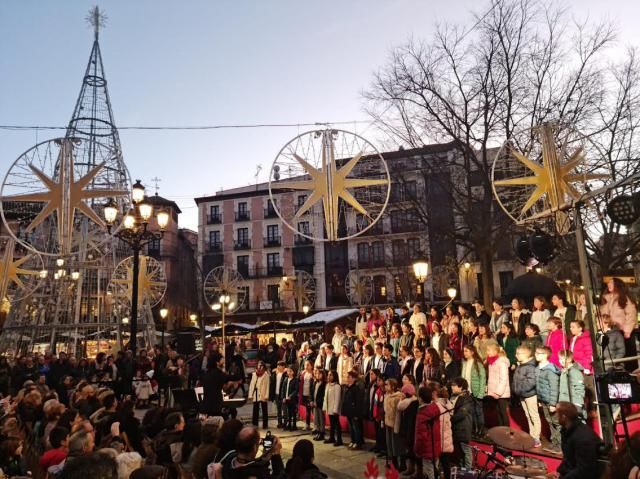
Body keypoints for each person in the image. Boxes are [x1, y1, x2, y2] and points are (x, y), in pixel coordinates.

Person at [554, 402, 602, 479]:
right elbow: (568, 459)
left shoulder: (583, 438)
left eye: (556, 414)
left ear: (563, 417)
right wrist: (558, 472)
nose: (555, 416)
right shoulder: (567, 431)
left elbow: (584, 470)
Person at [219, 426, 284, 479]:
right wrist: (276, 455)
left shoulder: (228, 460)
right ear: (254, 447)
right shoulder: (259, 473)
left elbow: (247, 464)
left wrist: (264, 459)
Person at [513, 345, 542, 447]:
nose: (516, 355)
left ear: (526, 354)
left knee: (534, 416)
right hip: (522, 395)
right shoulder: (520, 365)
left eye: (518, 354)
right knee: (528, 416)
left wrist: (520, 390)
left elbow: (531, 382)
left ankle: (536, 438)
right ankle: (532, 435)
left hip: (530, 395)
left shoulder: (530, 367)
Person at [535, 346, 562, 452]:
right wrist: (540, 400)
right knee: (550, 422)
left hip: (551, 401)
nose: (536, 355)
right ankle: (555, 442)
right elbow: (539, 386)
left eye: (539, 353)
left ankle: (560, 445)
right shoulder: (538, 368)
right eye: (536, 353)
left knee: (556, 423)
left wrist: (553, 404)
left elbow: (554, 388)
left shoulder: (550, 370)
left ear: (546, 355)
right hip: (544, 400)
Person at [414, 384, 441, 479]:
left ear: (420, 398)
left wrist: (417, 450)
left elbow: (421, 436)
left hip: (426, 449)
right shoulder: (434, 409)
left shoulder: (422, 413)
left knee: (429, 473)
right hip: (435, 447)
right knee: (434, 470)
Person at [201, 352, 240, 418]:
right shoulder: (218, 374)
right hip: (215, 405)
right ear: (217, 362)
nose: (223, 361)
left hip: (206, 405)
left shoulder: (207, 373)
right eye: (222, 359)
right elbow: (232, 378)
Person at [461, 344, 486, 437]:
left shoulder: (477, 363)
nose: (465, 353)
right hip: (467, 391)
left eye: (466, 351)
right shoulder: (464, 363)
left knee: (478, 411)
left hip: (476, 390)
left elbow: (482, 378)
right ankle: (474, 429)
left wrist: (481, 392)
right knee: (471, 411)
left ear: (472, 352)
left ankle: (481, 430)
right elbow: (463, 378)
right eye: (464, 351)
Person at [450, 377, 473, 469]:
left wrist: (450, 420)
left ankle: (468, 471)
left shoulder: (466, 398)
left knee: (466, 450)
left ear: (461, 387)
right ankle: (462, 470)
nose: (452, 387)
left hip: (463, 428)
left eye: (454, 385)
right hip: (456, 427)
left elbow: (462, 413)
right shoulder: (454, 396)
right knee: (459, 451)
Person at [396, 383, 419, 476]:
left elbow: (410, 420)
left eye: (403, 392)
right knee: (408, 450)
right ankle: (410, 468)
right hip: (407, 429)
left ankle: (412, 469)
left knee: (411, 451)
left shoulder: (412, 404)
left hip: (410, 430)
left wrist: (408, 433)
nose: (401, 394)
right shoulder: (407, 402)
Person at [485, 343, 510, 427]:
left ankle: (506, 432)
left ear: (496, 351)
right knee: (498, 412)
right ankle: (500, 431)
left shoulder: (501, 362)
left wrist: (498, 393)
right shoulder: (491, 361)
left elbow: (504, 379)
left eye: (489, 350)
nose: (487, 352)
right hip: (494, 391)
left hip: (501, 393)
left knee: (503, 412)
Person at [383, 378, 404, 469]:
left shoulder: (397, 397)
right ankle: (391, 460)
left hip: (395, 423)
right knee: (389, 443)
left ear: (393, 386)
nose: (385, 386)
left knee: (395, 444)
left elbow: (397, 411)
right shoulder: (387, 396)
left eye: (387, 384)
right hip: (388, 422)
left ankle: (398, 463)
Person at [341, 371, 364, 449]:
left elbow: (358, 402)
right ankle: (353, 440)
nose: (347, 378)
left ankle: (358, 442)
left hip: (354, 412)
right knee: (351, 427)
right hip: (348, 411)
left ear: (354, 379)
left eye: (349, 377)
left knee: (356, 427)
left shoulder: (356, 388)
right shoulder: (347, 387)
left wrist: (357, 414)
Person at [557, 350, 585, 415]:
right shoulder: (563, 372)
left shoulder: (576, 373)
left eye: (561, 359)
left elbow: (580, 389)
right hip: (564, 402)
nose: (559, 361)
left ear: (569, 359)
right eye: (559, 359)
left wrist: (578, 404)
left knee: (577, 422)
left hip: (574, 404)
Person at [248, 361, 271, 430]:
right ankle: (255, 424)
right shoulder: (254, 374)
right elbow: (252, 384)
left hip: (263, 393)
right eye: (258, 365)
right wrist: (250, 394)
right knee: (255, 409)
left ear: (263, 366)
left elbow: (267, 385)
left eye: (261, 365)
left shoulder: (266, 374)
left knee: (264, 409)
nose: (259, 367)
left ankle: (265, 424)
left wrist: (267, 395)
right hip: (256, 393)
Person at [322, 370, 342, 446]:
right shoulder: (328, 385)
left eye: (331, 375)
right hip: (329, 408)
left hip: (334, 409)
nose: (329, 376)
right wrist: (324, 407)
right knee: (332, 424)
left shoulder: (337, 386)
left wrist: (335, 410)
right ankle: (332, 437)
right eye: (328, 375)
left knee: (337, 424)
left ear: (334, 377)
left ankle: (339, 439)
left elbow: (337, 399)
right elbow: (325, 397)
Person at [298, 360, 315, 432]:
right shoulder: (303, 373)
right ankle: (307, 425)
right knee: (307, 411)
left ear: (311, 366)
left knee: (313, 411)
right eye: (305, 365)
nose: (306, 366)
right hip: (304, 394)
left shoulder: (314, 374)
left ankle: (315, 425)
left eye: (308, 365)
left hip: (311, 395)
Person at [270, 361, 287, 429]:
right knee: (278, 410)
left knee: (284, 410)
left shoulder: (285, 374)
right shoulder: (275, 373)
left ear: (283, 366)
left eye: (280, 365)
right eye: (277, 365)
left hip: (282, 395)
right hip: (276, 394)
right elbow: (272, 384)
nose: (278, 367)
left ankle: (285, 423)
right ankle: (279, 423)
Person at [311, 368, 326, 441]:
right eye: (316, 374)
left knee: (321, 419)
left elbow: (323, 396)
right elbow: (313, 393)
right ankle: (318, 432)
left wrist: (318, 403)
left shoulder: (324, 384)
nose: (317, 375)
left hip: (320, 405)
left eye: (319, 374)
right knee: (316, 419)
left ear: (323, 375)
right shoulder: (315, 383)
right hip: (315, 404)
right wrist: (311, 401)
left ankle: (322, 432)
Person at [282, 366, 299, 431]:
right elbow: (283, 389)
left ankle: (294, 425)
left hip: (292, 399)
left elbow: (296, 390)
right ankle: (288, 425)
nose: (288, 372)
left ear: (293, 372)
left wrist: (290, 396)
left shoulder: (295, 380)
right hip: (286, 399)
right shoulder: (286, 379)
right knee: (288, 412)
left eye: (290, 371)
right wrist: (283, 397)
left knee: (293, 413)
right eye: (288, 371)